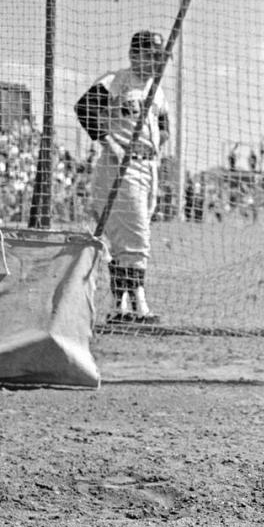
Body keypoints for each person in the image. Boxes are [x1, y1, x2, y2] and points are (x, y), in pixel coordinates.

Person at [74, 30, 170, 323]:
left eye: (159, 56)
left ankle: (121, 304)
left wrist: (160, 141)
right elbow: (84, 108)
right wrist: (110, 142)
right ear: (135, 55)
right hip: (121, 165)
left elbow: (164, 124)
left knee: (125, 237)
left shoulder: (156, 89)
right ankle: (140, 303)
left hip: (148, 166)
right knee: (136, 233)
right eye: (151, 55)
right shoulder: (116, 80)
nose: (156, 62)